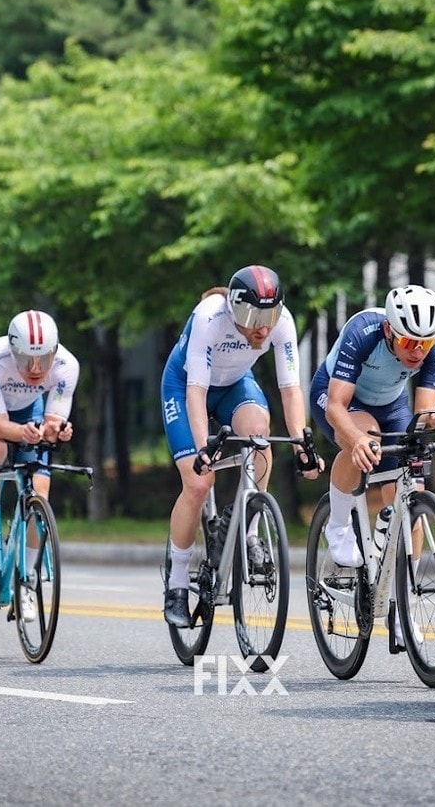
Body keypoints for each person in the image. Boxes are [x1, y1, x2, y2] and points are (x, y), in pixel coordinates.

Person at [162, 265, 324, 627]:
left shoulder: (283, 322)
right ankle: (176, 584)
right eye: (252, 319)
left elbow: (290, 389)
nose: (262, 328)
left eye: (269, 317)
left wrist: (302, 444)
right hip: (185, 387)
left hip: (235, 384)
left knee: (259, 434)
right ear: (233, 309)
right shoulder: (209, 317)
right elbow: (196, 391)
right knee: (198, 483)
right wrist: (203, 449)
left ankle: (247, 531)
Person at [311, 284, 435, 568]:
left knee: (410, 496)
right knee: (365, 438)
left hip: (391, 405)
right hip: (338, 396)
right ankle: (338, 525)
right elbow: (336, 406)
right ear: (388, 330)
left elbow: (423, 413)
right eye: (408, 342)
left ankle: (404, 587)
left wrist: (433, 419)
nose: (417, 352)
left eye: (425, 344)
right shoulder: (362, 332)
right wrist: (355, 439)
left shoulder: (434, 345)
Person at [0, 309, 78, 622]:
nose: (35, 369)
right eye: (25, 360)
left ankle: (27, 580)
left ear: (54, 352)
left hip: (27, 409)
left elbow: (52, 423)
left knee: (40, 487)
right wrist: (24, 433)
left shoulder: (67, 365)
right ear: (12, 351)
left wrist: (57, 430)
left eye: (43, 360)